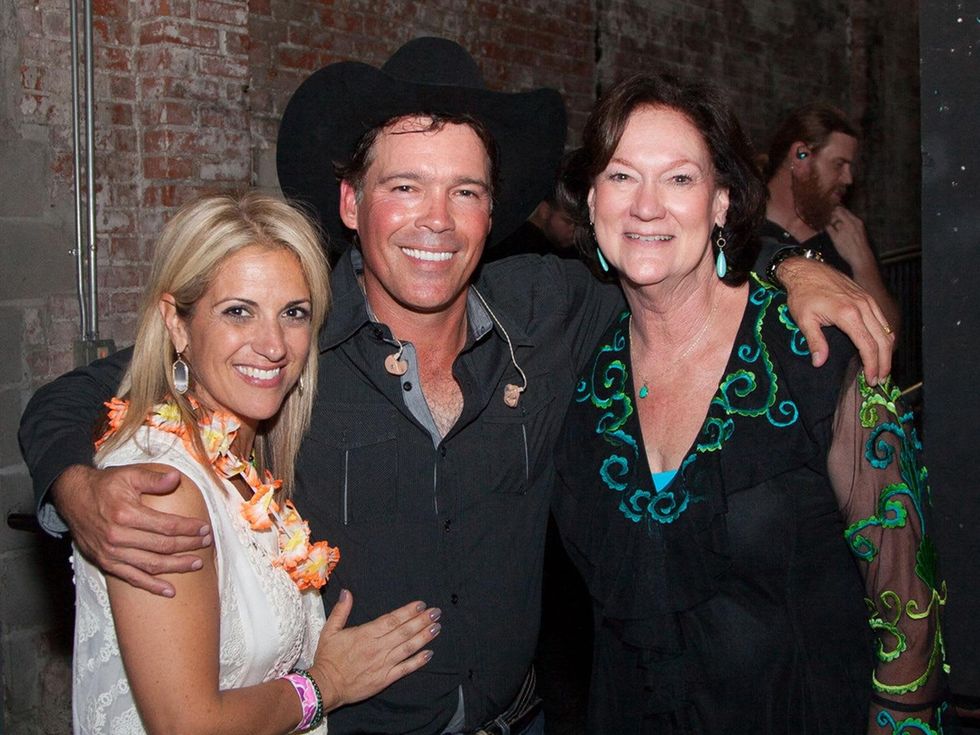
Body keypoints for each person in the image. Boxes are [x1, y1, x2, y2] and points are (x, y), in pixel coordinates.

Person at [20, 39, 895, 734]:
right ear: (354, 204)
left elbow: (668, 264)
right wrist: (75, 482)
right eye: (405, 185)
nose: (436, 221)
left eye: (465, 191)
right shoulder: (290, 337)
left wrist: (790, 267)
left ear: (492, 212)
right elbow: (84, 394)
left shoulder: (552, 311)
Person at [553, 72, 949, 733]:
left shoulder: (813, 351)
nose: (646, 205)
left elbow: (908, 602)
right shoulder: (582, 371)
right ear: (592, 200)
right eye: (622, 176)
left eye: (679, 178)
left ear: (721, 202)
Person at [69, 191, 439, 734]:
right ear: (176, 323)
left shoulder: (242, 467)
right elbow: (186, 726)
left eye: (293, 314)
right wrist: (327, 684)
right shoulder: (162, 486)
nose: (273, 345)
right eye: (238, 312)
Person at [757, 102, 901, 337]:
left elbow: (888, 337)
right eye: (839, 164)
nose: (848, 178)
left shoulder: (846, 236)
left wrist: (863, 263)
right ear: (800, 155)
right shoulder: (738, 224)